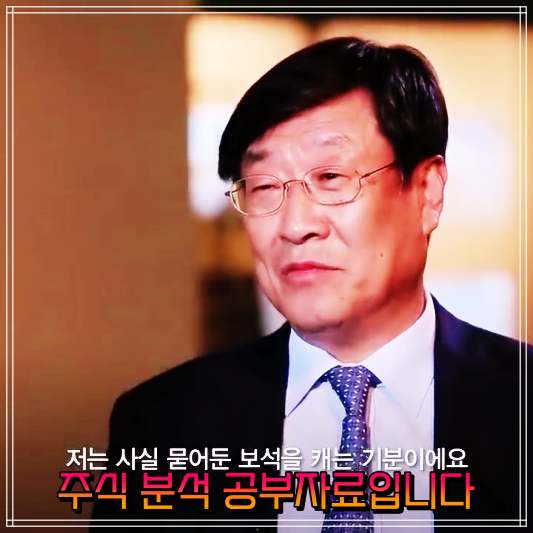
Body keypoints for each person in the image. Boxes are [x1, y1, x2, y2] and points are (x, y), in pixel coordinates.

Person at [92, 37, 527, 531]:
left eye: (332, 178)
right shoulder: (162, 424)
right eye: (264, 186)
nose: (296, 225)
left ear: (426, 192)